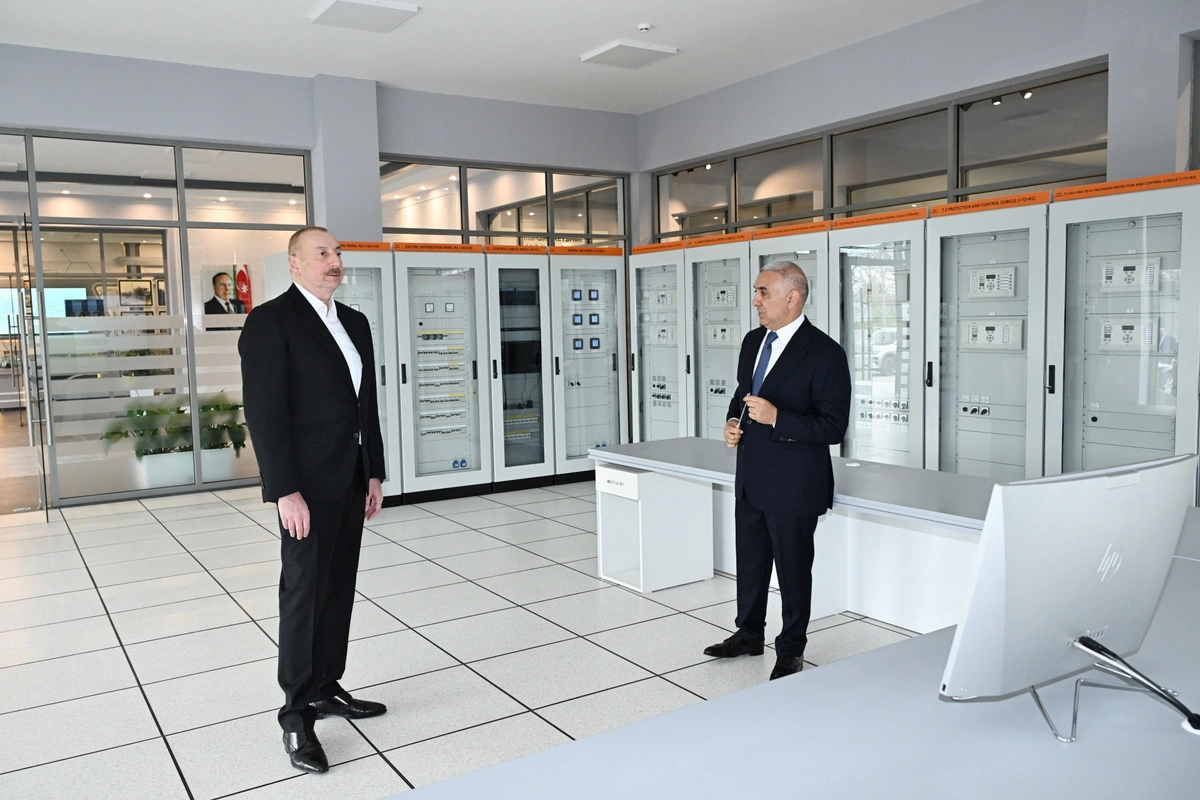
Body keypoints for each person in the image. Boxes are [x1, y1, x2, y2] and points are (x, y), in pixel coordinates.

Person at [238, 226, 387, 774]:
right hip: (305, 487)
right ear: (295, 263)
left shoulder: (354, 322)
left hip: (350, 480)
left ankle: (326, 686)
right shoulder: (271, 322)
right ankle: (296, 715)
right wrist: (284, 490)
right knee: (303, 594)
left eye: (337, 252)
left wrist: (374, 472)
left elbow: (365, 404)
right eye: (321, 253)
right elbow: (265, 413)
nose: (334, 261)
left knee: (338, 587)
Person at [702, 261, 851, 680]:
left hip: (794, 484)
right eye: (756, 291)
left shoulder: (825, 353)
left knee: (792, 571)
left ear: (793, 297)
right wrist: (733, 422)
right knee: (750, 563)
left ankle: (790, 650)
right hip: (751, 475)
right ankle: (749, 634)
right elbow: (743, 394)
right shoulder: (753, 341)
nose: (755, 301)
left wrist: (777, 418)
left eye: (763, 292)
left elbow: (833, 427)